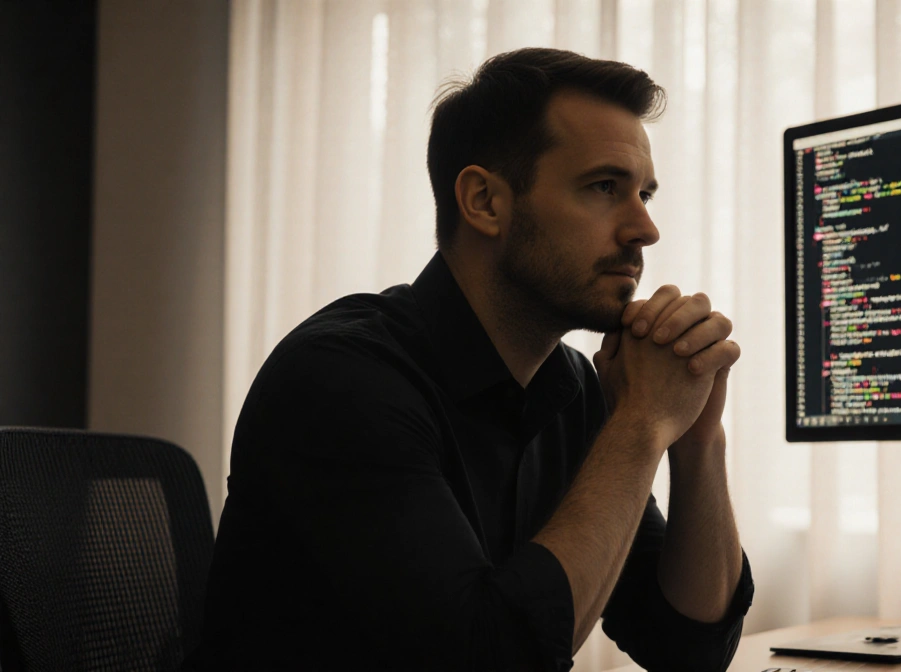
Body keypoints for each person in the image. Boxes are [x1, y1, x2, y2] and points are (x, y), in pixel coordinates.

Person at [186, 47, 753, 671]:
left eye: (644, 193)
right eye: (604, 188)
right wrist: (641, 424)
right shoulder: (340, 380)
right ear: (484, 201)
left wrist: (697, 440)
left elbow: (690, 650)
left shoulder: (572, 391)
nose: (644, 228)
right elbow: (488, 658)